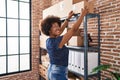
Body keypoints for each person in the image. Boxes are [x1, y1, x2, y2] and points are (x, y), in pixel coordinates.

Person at [40, 8, 88, 80]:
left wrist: (68, 18)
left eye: (58, 25)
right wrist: (82, 15)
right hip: (58, 72)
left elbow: (60, 30)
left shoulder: (49, 40)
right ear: (49, 30)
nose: (58, 28)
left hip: (52, 70)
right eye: (54, 26)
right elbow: (73, 30)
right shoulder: (57, 42)